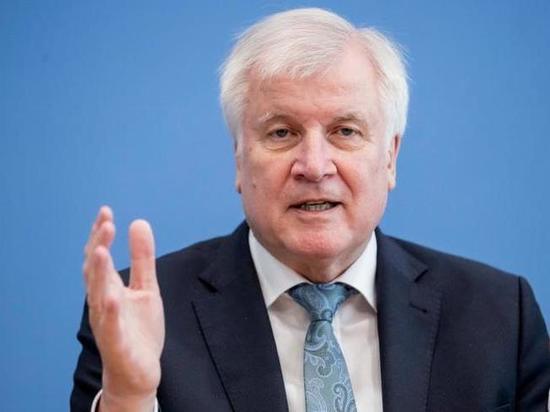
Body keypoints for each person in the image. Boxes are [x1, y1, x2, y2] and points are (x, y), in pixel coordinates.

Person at [71, 8, 550, 412]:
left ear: (390, 158)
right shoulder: (139, 316)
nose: (315, 166)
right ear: (238, 159)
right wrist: (129, 397)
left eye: (345, 131)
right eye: (282, 133)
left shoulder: (501, 316)